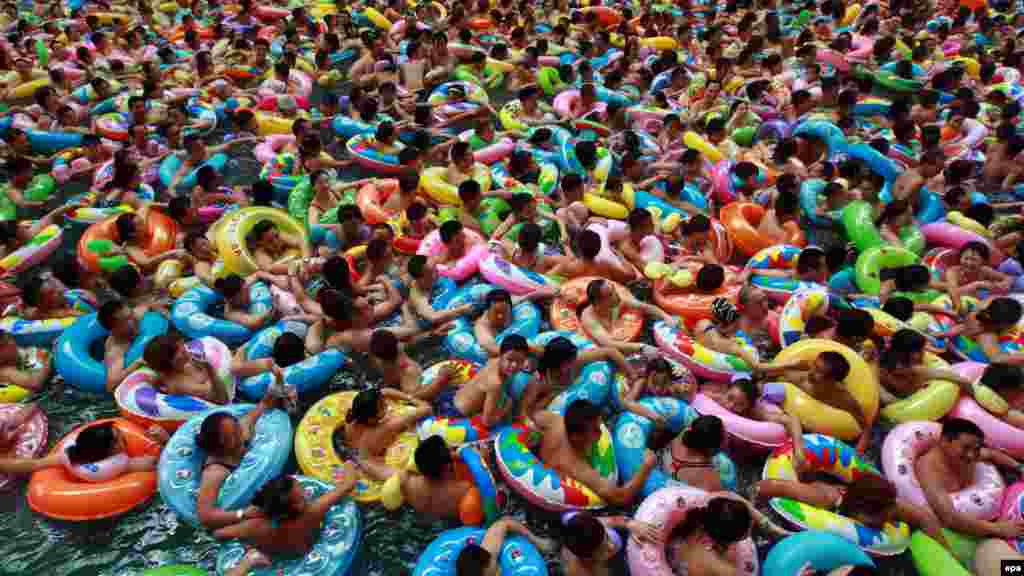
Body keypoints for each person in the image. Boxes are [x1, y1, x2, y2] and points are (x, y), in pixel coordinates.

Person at [533, 399, 655, 507]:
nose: (601, 434)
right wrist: (646, 466)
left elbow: (534, 416)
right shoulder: (579, 469)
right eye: (595, 430)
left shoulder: (555, 422)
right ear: (577, 437)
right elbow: (621, 497)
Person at [914, 418, 1024, 538]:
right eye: (965, 448)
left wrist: (1019, 467)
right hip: (965, 527)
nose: (971, 455)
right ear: (945, 441)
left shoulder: (969, 454)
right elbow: (948, 517)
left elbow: (992, 454)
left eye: (976, 449)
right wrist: (998, 529)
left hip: (996, 502)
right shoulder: (928, 467)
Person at [195, 383, 285, 529]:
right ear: (219, 445)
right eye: (231, 436)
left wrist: (275, 392)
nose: (239, 435)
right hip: (238, 510)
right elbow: (205, 516)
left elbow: (262, 406)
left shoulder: (241, 431)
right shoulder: (215, 472)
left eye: (237, 428)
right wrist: (242, 514)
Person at [212, 471, 359, 557]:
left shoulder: (254, 526)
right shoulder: (312, 512)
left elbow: (218, 534)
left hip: (277, 558)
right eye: (302, 494)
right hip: (308, 554)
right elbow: (348, 484)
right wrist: (349, 464)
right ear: (297, 506)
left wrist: (243, 515)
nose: (305, 492)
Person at [668, 493, 788, 576]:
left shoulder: (700, 519)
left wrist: (767, 524)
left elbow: (729, 495)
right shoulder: (726, 570)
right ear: (739, 538)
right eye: (749, 527)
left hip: (676, 554)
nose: (753, 521)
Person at [435, 335, 529, 427]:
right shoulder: (496, 383)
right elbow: (487, 422)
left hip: (449, 398)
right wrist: (505, 408)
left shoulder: (493, 360)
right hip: (454, 415)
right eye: (510, 360)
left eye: (520, 361)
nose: (514, 365)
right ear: (501, 355)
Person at [343, 387, 432, 480]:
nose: (386, 404)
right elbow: (427, 409)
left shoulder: (352, 417)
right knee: (408, 478)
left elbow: (385, 391)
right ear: (372, 419)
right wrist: (419, 402)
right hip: (376, 467)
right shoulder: (385, 428)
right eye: (383, 406)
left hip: (360, 455)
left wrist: (410, 398)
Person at [579, 278, 677, 356]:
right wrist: (641, 347)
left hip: (620, 329)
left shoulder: (618, 298)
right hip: (604, 345)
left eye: (614, 290)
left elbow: (645, 307)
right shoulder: (589, 317)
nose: (616, 295)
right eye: (610, 294)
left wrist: (666, 316)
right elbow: (608, 343)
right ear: (598, 302)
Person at [560, 511, 660, 576]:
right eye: (603, 550)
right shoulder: (581, 572)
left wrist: (630, 524)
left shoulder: (590, 527)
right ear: (587, 558)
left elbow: (611, 521)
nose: (611, 546)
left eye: (607, 538)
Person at [454, 516, 555, 576]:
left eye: (490, 561)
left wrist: (537, 541)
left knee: (505, 519)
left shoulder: (488, 552)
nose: (492, 561)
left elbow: (504, 524)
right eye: (490, 564)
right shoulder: (485, 564)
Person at [661, 415, 725, 492]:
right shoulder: (708, 476)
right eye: (724, 434)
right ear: (713, 447)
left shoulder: (684, 434)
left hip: (664, 471)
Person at [945, 241, 1013, 313]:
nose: (969, 263)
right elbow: (953, 292)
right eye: (966, 258)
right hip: (958, 300)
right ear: (960, 258)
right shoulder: (953, 272)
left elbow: (1008, 278)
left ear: (983, 261)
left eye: (974, 259)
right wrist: (976, 285)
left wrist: (1004, 284)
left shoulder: (984, 270)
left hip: (977, 302)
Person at [247, 220, 312, 271]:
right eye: (270, 241)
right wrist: (300, 266)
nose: (276, 242)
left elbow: (302, 241)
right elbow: (270, 268)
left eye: (276, 236)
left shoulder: (278, 235)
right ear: (260, 243)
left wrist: (305, 260)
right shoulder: (260, 253)